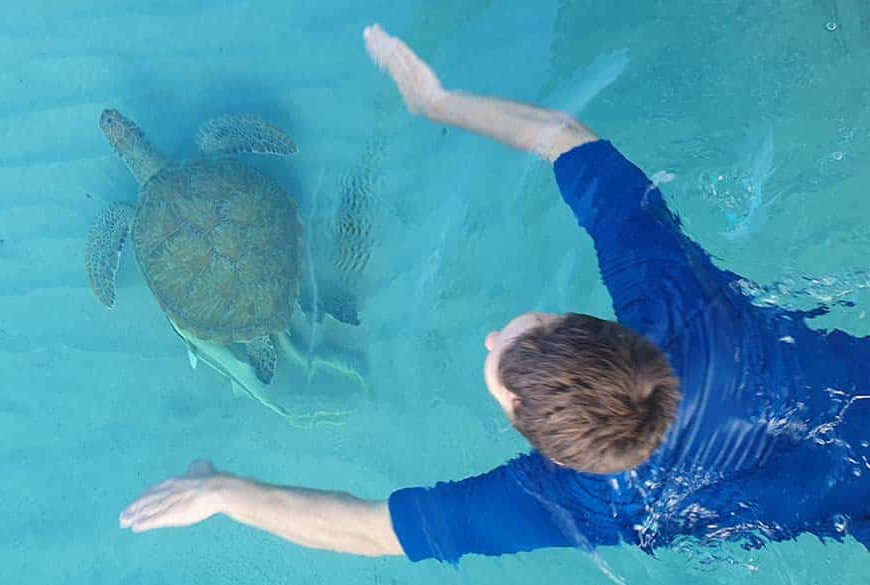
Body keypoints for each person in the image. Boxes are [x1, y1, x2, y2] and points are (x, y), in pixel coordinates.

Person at [118, 24, 870, 563]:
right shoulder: (680, 300)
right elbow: (565, 137)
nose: (488, 339)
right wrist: (438, 102)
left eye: (496, 359)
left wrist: (224, 491)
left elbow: (370, 531)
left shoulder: (578, 500)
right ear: (576, 323)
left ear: (528, 430)